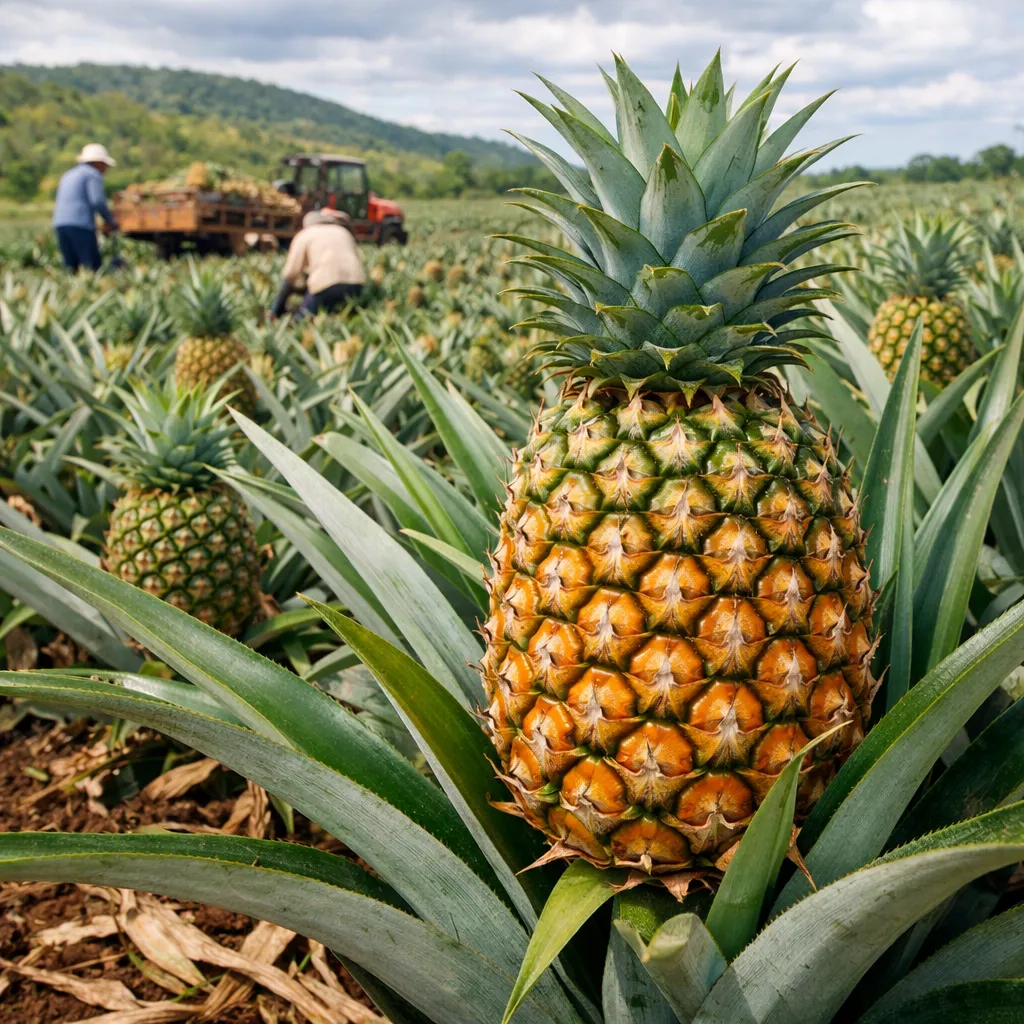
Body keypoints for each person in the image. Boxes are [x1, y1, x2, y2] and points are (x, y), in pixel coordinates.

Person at [269, 208, 365, 320]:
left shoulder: (305, 234)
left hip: (326, 285)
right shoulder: (343, 232)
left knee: (302, 320)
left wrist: (275, 309)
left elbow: (290, 275)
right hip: (357, 285)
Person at [52, 143, 118, 272]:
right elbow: (97, 201)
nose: (105, 168)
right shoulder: (92, 174)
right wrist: (110, 221)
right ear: (97, 162)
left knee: (71, 267)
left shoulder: (68, 174)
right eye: (104, 164)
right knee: (91, 266)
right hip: (80, 225)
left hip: (60, 223)